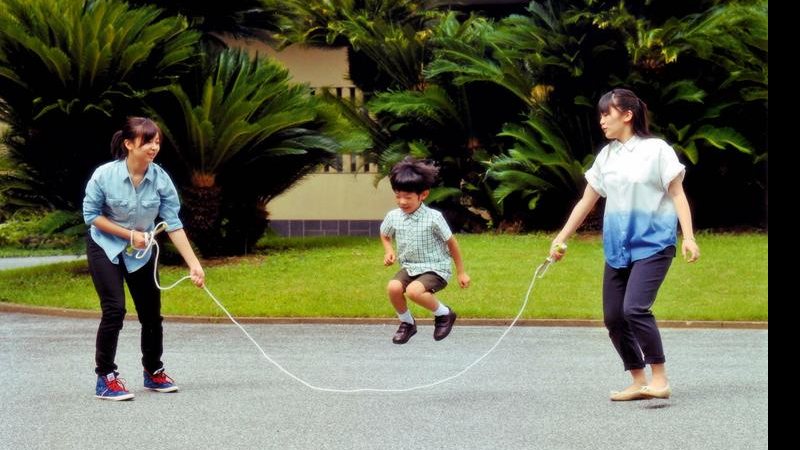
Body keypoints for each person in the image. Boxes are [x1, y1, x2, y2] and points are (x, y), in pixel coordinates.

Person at [549, 88, 700, 401]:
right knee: (614, 317)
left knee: (635, 308)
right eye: (601, 114)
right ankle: (637, 380)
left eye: (608, 113)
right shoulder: (607, 156)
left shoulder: (657, 150)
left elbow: (676, 194)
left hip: (654, 243)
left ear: (627, 114)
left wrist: (688, 237)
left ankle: (660, 378)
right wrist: (561, 237)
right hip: (618, 248)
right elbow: (586, 201)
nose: (602, 120)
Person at [83, 117, 205, 401]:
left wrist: (194, 264)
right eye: (147, 141)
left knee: (151, 314)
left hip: (141, 250)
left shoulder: (160, 179)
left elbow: (173, 223)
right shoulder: (104, 175)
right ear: (128, 144)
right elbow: (92, 216)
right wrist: (128, 235)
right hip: (105, 245)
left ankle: (153, 371)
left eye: (157, 141)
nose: (154, 147)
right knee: (114, 309)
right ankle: (106, 377)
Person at [380, 157, 471, 344]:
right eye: (398, 196)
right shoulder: (393, 217)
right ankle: (407, 323)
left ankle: (444, 314)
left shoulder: (434, 218)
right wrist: (388, 250)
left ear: (423, 195)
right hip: (410, 267)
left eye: (408, 197)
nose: (402, 202)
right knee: (393, 287)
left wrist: (461, 272)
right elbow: (384, 234)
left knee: (414, 291)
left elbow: (452, 243)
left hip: (435, 268)